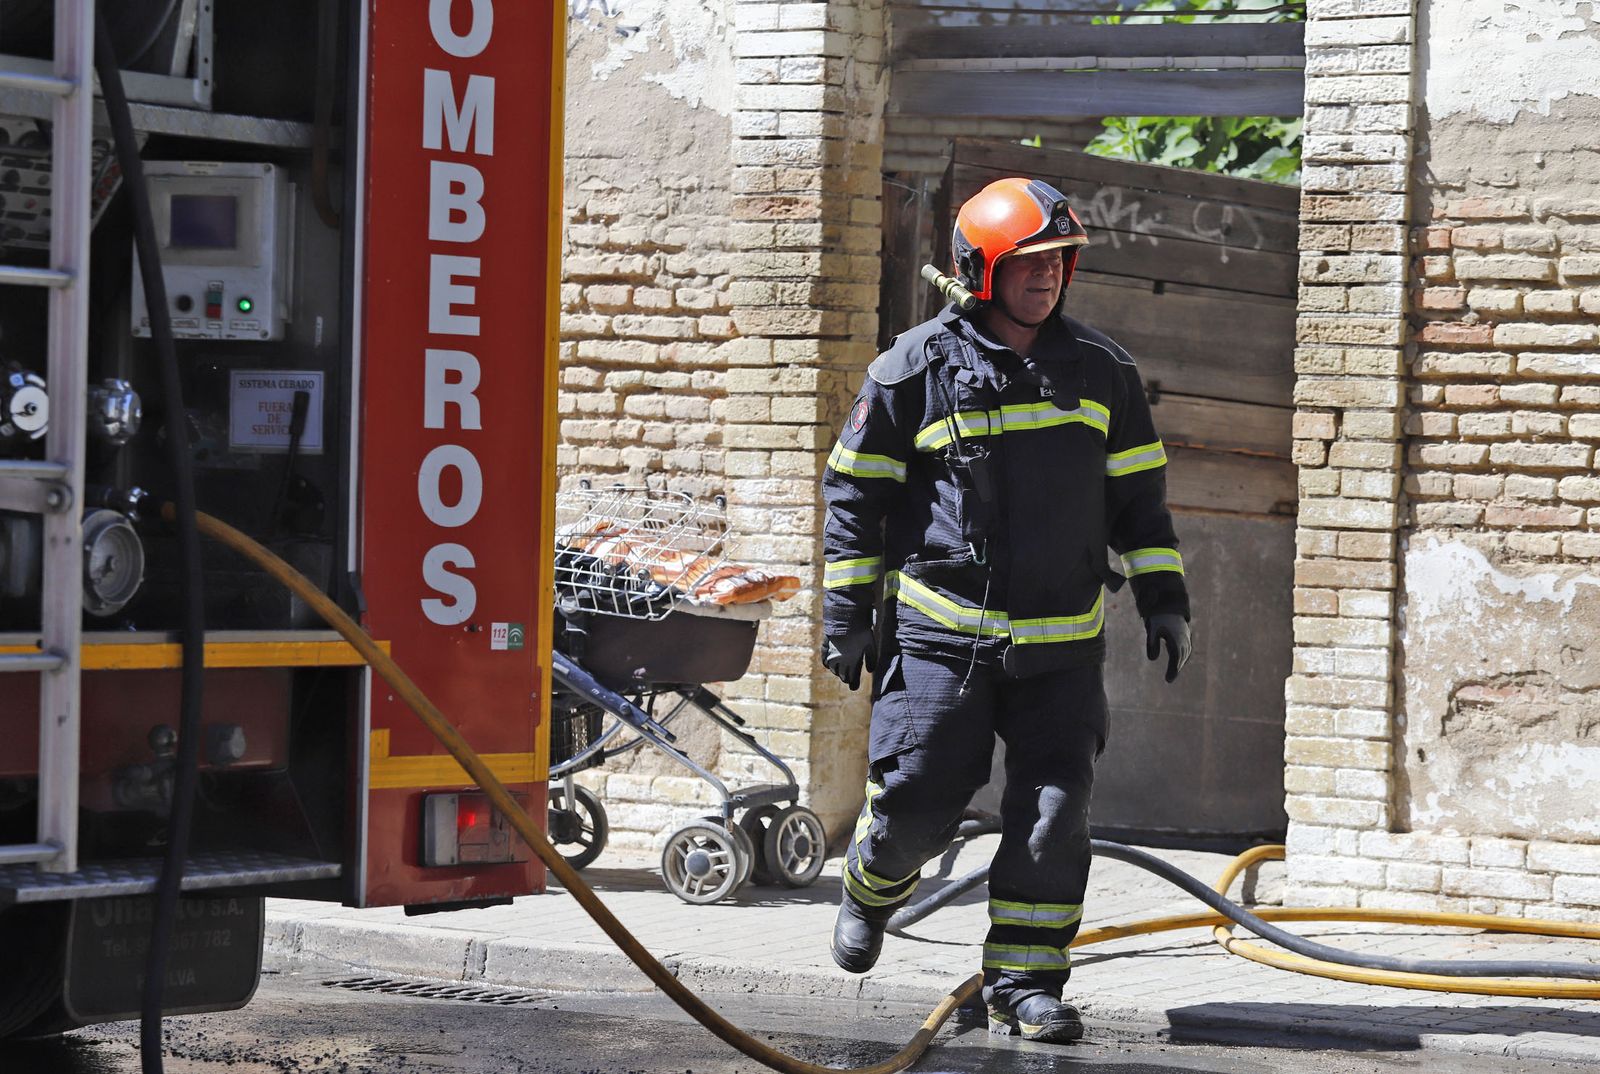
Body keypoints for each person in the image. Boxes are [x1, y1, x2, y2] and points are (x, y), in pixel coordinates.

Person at [819, 176, 1192, 1044]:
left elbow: (1141, 500)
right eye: (1028, 263)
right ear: (979, 269)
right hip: (941, 644)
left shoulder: (1104, 373)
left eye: (1058, 261)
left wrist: (1163, 598)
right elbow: (854, 495)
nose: (1048, 278)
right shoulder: (910, 371)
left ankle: (1024, 980)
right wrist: (846, 614)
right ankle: (873, 885)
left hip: (1062, 650)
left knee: (1054, 813)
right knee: (917, 798)